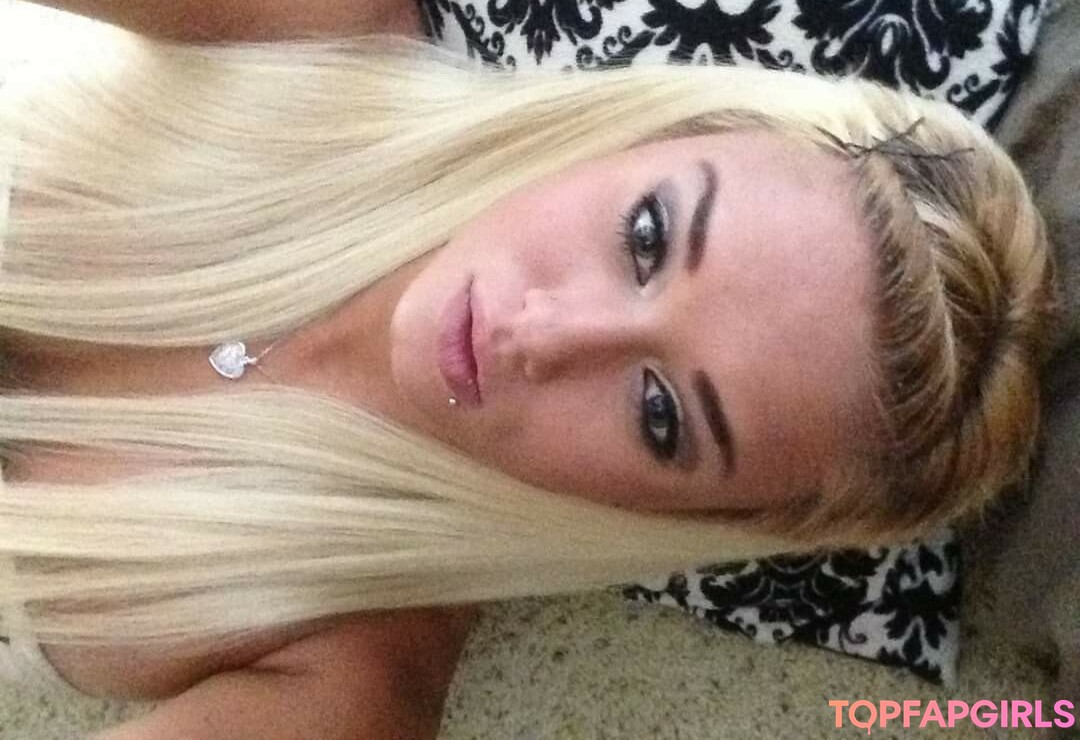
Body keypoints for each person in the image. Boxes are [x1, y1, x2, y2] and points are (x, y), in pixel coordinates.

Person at [0, 3, 1057, 739]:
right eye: (646, 236)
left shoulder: (343, 684)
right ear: (655, 130)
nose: (548, 335)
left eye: (661, 414)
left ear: (685, 520)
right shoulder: (316, 28)